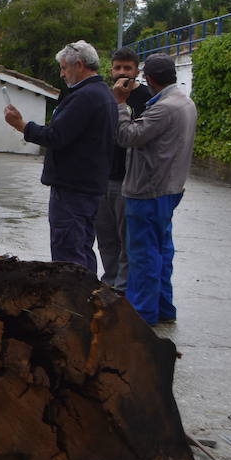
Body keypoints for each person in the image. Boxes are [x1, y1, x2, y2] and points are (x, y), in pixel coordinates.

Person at [3, 40, 117, 272]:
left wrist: (21, 125)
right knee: (82, 249)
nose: (62, 74)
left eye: (65, 68)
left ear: (80, 65)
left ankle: (73, 304)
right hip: (88, 186)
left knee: (69, 254)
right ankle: (87, 301)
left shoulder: (85, 97)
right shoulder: (102, 93)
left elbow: (56, 136)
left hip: (73, 189)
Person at [112, 53, 196, 325]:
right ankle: (163, 309)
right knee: (161, 251)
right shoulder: (185, 102)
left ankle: (142, 313)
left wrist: (120, 105)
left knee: (142, 255)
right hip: (170, 188)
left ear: (148, 79)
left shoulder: (164, 108)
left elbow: (127, 137)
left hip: (147, 190)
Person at [94, 47, 150, 292]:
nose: (122, 72)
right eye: (118, 67)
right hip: (103, 178)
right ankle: (110, 281)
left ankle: (124, 288)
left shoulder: (147, 99)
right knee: (105, 238)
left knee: (126, 239)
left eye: (128, 68)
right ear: (111, 70)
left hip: (130, 182)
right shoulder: (105, 96)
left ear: (137, 70)